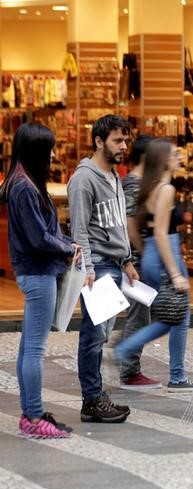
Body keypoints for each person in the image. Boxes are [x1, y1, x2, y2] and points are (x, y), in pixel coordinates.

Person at [0, 123, 78, 438]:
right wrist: (67, 247)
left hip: (35, 271)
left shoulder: (22, 181)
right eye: (49, 148)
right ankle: (32, 417)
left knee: (28, 347)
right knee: (34, 348)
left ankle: (31, 412)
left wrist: (65, 243)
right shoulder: (23, 186)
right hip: (37, 272)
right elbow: (38, 237)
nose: (54, 154)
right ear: (37, 150)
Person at [112, 138, 193, 392]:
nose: (179, 157)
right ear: (163, 160)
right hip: (165, 250)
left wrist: (143, 251)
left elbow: (138, 226)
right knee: (177, 316)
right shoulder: (165, 189)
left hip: (152, 251)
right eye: (174, 154)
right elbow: (162, 232)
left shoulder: (150, 187)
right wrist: (175, 273)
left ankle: (128, 351)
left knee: (170, 315)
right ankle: (174, 374)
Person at [68, 114, 137, 423]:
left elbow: (117, 223)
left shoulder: (114, 175)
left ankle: (95, 396)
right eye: (117, 141)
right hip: (97, 266)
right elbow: (79, 231)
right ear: (99, 141)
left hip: (113, 264)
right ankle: (92, 399)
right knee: (93, 336)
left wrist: (127, 259)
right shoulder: (84, 178)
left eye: (125, 140)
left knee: (101, 334)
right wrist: (87, 269)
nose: (123, 146)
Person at [116, 135, 161, 390]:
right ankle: (129, 370)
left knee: (139, 313)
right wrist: (143, 254)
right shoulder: (134, 184)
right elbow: (131, 225)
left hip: (134, 259)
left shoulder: (137, 182)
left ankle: (120, 351)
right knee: (139, 314)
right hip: (135, 261)